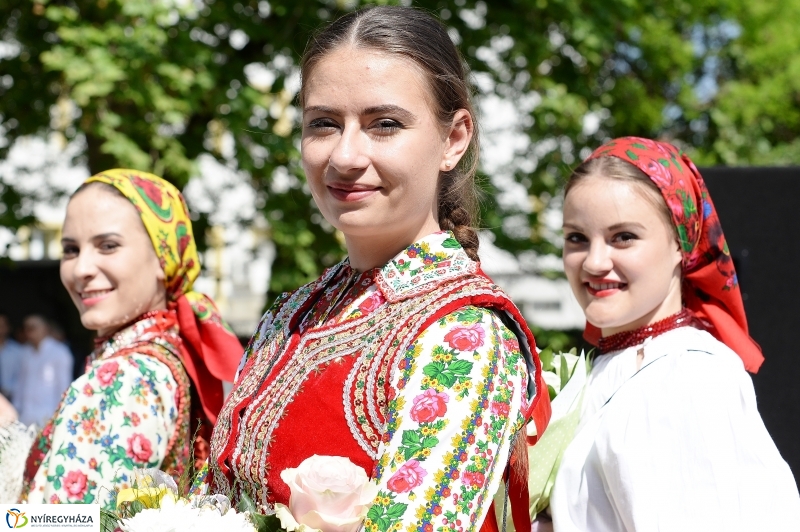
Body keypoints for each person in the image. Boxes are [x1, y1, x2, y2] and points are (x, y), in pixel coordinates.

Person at [205, 7, 550, 532]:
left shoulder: (462, 333)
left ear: (454, 139)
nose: (345, 155)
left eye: (384, 124)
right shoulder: (294, 311)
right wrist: (37, 521)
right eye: (323, 123)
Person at [550, 137, 800, 531]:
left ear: (681, 244)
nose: (594, 262)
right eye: (577, 238)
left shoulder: (685, 378)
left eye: (623, 237)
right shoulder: (617, 368)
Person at [20, 170, 242, 507]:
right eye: (70, 249)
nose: (81, 268)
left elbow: (71, 524)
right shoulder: (165, 352)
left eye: (108, 246)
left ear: (162, 257)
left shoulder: (121, 378)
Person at [13, 315, 72, 427]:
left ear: (45, 329)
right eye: (27, 328)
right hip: (26, 415)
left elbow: (64, 386)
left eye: (33, 327)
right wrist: (17, 409)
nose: (29, 331)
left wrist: (60, 415)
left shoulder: (60, 351)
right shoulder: (25, 352)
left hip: (48, 414)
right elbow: (20, 383)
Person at [0, 313, 24, 401]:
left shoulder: (18, 351)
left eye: (2, 325)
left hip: (11, 399)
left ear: (8, 327)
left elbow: (22, 377)